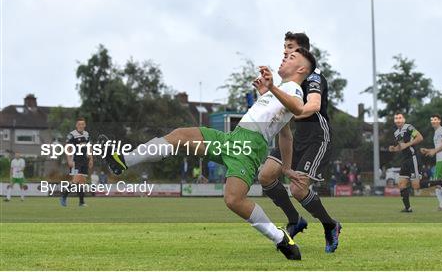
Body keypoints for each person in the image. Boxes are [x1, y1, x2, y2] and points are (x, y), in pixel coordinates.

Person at [101, 48, 317, 260]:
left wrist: (271, 89)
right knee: (179, 136)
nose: (284, 58)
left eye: (291, 57)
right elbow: (285, 134)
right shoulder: (280, 90)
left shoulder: (294, 90)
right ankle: (122, 160)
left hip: (250, 146)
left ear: (300, 69)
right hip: (234, 139)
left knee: (233, 200)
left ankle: (280, 238)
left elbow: (298, 108)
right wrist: (286, 167)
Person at [255, 32, 340, 253]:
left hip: (316, 137)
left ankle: (330, 225)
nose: (285, 51)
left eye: (290, 47)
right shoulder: (288, 81)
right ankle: (295, 220)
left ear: (303, 52)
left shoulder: (313, 77)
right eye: (284, 47)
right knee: (265, 176)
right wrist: (266, 94)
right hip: (295, 137)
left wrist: (293, 109)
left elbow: (313, 105)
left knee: (298, 189)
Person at [390, 112, 442, 212]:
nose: (398, 120)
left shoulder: (409, 128)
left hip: (413, 159)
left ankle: (439, 182)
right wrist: (394, 149)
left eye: (400, 118)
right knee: (401, 184)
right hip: (405, 160)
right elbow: (402, 146)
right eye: (396, 119)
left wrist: (408, 144)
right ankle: (408, 208)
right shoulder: (396, 133)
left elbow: (420, 138)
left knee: (416, 186)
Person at [61, 118, 93, 207]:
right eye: (79, 124)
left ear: (85, 125)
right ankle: (63, 196)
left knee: (82, 182)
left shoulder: (86, 134)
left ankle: (81, 202)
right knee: (76, 179)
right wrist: (69, 160)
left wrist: (91, 159)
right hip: (76, 160)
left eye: (83, 124)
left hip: (85, 160)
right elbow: (68, 148)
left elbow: (89, 147)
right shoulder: (72, 134)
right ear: (76, 125)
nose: (81, 126)